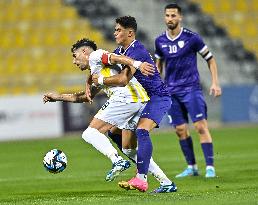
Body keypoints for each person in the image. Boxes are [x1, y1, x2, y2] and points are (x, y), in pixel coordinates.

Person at [43, 38, 175, 191]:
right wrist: (57, 97)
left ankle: (116, 160)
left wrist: (136, 64)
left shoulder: (95, 56)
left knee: (90, 133)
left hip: (126, 98)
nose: (74, 61)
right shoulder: (97, 69)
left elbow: (114, 57)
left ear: (85, 52)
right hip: (139, 100)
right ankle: (166, 182)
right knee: (128, 149)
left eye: (75, 55)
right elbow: (85, 96)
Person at [92, 16, 177, 193]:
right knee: (114, 132)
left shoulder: (136, 51)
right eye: (115, 30)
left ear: (130, 32)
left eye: (118, 30)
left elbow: (123, 80)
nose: (114, 33)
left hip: (157, 97)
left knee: (142, 130)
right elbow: (105, 61)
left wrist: (99, 80)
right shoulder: (122, 51)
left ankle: (141, 179)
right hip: (143, 100)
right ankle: (166, 183)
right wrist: (89, 81)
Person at [155, 3, 222, 178]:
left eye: (173, 15)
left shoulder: (192, 38)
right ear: (165, 17)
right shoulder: (160, 41)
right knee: (180, 130)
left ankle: (210, 167)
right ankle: (192, 166)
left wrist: (215, 83)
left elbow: (210, 59)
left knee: (200, 126)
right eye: (167, 15)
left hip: (191, 89)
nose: (170, 19)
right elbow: (158, 65)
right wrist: (155, 86)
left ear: (180, 17)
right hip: (171, 91)